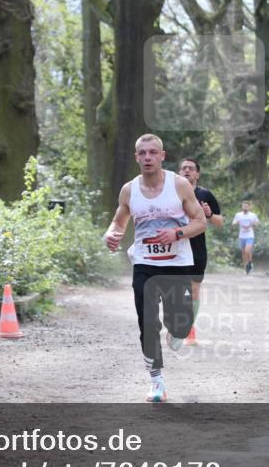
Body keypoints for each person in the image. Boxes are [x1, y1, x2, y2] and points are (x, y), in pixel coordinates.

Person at [103, 134, 207, 402]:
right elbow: (118, 222)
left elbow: (200, 222)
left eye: (152, 152)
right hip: (145, 264)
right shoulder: (129, 190)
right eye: (142, 153)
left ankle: (178, 330)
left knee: (180, 326)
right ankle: (156, 380)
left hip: (177, 264)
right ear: (137, 157)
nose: (147, 157)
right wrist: (111, 234)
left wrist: (178, 233)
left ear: (162, 156)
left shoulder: (180, 185)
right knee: (147, 322)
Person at [178, 158, 223, 346]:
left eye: (191, 168)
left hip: (197, 248)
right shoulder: (171, 193)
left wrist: (210, 214)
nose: (187, 171)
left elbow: (220, 223)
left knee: (194, 290)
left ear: (197, 174)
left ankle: (189, 330)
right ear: (179, 173)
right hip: (176, 246)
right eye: (183, 168)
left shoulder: (205, 194)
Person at [232, 201, 259, 274]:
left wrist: (254, 224)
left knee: (247, 251)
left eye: (246, 206)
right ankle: (246, 268)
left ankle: (250, 264)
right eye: (243, 206)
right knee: (244, 253)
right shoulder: (238, 215)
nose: (245, 208)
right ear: (242, 207)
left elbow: (257, 224)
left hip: (250, 236)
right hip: (241, 236)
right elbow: (233, 223)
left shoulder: (253, 215)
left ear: (249, 207)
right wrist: (235, 223)